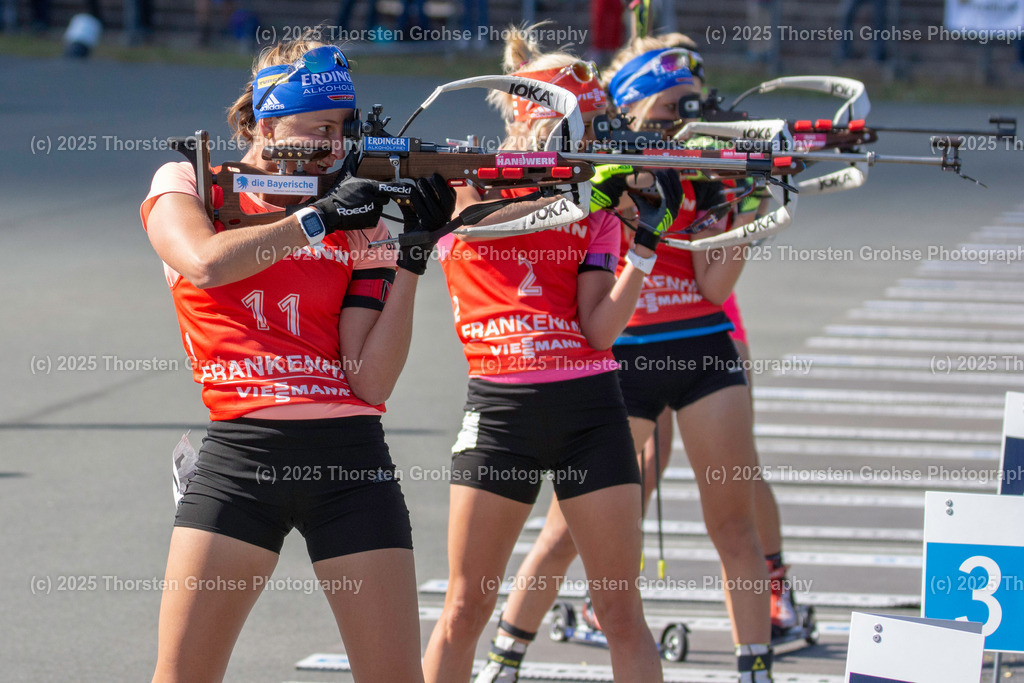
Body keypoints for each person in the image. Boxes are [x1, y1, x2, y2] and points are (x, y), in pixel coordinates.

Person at [142, 35, 455, 683]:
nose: (335, 147)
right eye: (317, 130)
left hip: (352, 459)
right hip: (240, 459)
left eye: (343, 129)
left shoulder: (359, 217)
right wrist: (316, 220)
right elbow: (204, 263)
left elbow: (368, 378)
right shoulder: (190, 181)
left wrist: (414, 256)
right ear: (263, 122)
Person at [475, 34, 782, 683]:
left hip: (700, 343)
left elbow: (713, 286)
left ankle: (756, 666)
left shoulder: (697, 166)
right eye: (669, 110)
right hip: (622, 354)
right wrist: (615, 184)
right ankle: (503, 659)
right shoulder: (589, 162)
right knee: (563, 534)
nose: (681, 122)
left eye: (688, 108)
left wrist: (751, 210)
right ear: (632, 108)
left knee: (732, 519)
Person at [422, 25, 677, 683]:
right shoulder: (466, 181)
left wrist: (642, 245)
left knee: (621, 609)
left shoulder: (591, 201)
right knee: (464, 607)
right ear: (535, 115)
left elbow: (598, 329)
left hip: (590, 409)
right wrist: (565, 196)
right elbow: (466, 226)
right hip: (499, 412)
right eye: (580, 124)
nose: (590, 141)